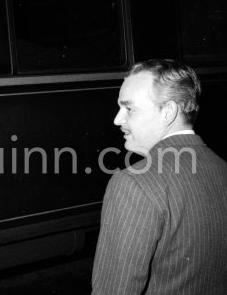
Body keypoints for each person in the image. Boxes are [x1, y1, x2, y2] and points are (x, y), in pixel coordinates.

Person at [92, 59, 227, 294]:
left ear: (168, 112)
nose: (117, 119)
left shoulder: (133, 183)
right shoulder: (221, 168)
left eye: (129, 108)